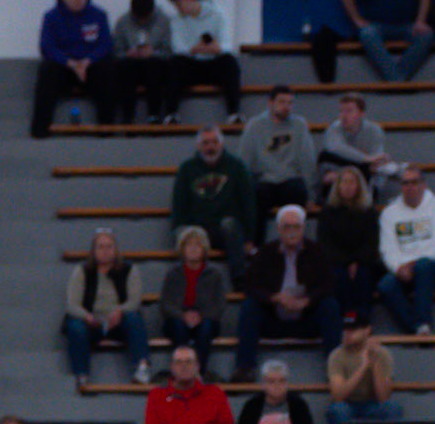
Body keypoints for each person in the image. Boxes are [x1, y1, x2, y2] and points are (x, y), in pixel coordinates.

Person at [233, 204, 342, 380]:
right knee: (249, 307)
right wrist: (274, 297)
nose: (291, 232)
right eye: (287, 227)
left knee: (330, 306)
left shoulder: (317, 251)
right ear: (278, 229)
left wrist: (307, 300)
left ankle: (336, 369)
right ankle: (245, 368)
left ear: (303, 228)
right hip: (274, 317)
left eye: (296, 227)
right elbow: (250, 285)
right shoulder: (265, 252)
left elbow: (329, 284)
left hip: (307, 317)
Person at [30, 0, 116, 138]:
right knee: (47, 69)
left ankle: (107, 129)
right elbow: (47, 47)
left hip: (90, 68)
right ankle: (40, 130)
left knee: (107, 67)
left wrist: (87, 62)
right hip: (65, 69)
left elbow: (106, 45)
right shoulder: (51, 17)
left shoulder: (99, 15)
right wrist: (71, 63)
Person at [63, 226, 149, 387]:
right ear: (93, 251)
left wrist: (120, 311)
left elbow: (135, 301)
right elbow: (72, 305)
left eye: (109, 246)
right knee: (75, 326)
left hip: (118, 321)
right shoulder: (82, 271)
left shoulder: (129, 270)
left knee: (134, 318)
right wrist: (87, 316)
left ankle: (142, 368)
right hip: (92, 322)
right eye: (100, 247)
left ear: (115, 250)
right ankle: (81, 375)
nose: (105, 251)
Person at [169, 124, 255, 281]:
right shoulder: (187, 169)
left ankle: (239, 280)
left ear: (221, 144)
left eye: (214, 142)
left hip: (225, 230)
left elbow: (248, 203)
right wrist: (179, 230)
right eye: (206, 143)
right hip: (197, 229)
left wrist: (249, 238)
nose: (210, 147)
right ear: (198, 146)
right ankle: (186, 283)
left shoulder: (236, 166)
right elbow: (179, 204)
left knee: (231, 225)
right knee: (183, 232)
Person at [378, 163, 435, 334]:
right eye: (405, 183)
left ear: (423, 184)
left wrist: (412, 265)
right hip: (403, 270)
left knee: (423, 266)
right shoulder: (389, 213)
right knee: (386, 285)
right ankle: (418, 329)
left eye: (414, 182)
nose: (410, 187)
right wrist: (398, 268)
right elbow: (387, 249)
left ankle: (423, 321)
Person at [239, 85, 316, 238]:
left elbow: (307, 161)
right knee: (254, 198)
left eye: (290, 103)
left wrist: (311, 195)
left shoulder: (299, 125)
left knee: (297, 192)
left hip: (291, 180)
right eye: (282, 102)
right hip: (264, 181)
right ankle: (255, 246)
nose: (286, 107)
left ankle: (295, 242)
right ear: (270, 103)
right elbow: (244, 160)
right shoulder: (255, 126)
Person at [165, 0, 241, 124]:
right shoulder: (176, 20)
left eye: (179, 3)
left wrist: (216, 48)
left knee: (230, 62)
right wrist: (194, 49)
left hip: (213, 63)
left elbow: (227, 44)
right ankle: (171, 115)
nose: (177, 8)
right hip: (191, 64)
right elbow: (177, 47)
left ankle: (234, 114)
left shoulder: (217, 14)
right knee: (175, 63)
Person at [317, 166, 380, 330]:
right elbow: (325, 243)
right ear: (338, 185)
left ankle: (363, 320)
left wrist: (356, 262)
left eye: (352, 182)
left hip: (363, 261)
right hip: (336, 261)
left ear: (359, 186)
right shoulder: (328, 211)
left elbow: (371, 242)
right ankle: (344, 319)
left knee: (363, 276)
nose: (348, 186)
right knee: (338, 276)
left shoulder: (368, 211)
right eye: (344, 182)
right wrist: (346, 262)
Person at [159, 227, 226, 373]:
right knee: (178, 327)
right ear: (182, 249)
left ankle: (198, 373)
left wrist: (201, 316)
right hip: (178, 318)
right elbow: (165, 304)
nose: (193, 249)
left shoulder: (214, 275)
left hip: (205, 319)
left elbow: (219, 305)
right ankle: (180, 371)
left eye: (198, 245)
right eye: (189, 245)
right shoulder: (173, 274)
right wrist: (183, 316)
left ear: (204, 249)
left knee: (206, 328)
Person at [112, 0, 175, 124]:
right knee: (125, 68)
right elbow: (116, 52)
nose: (141, 21)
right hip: (131, 64)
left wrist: (153, 53)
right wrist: (128, 54)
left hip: (156, 64)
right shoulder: (123, 22)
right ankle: (128, 117)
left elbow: (170, 52)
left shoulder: (164, 21)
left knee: (155, 66)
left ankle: (154, 115)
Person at [317, 93, 396, 198]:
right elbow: (336, 148)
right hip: (338, 182)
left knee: (370, 168)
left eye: (349, 111)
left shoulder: (374, 131)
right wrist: (365, 159)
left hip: (365, 181)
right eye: (341, 111)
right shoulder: (333, 129)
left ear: (361, 113)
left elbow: (376, 164)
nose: (344, 116)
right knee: (325, 156)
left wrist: (366, 164)